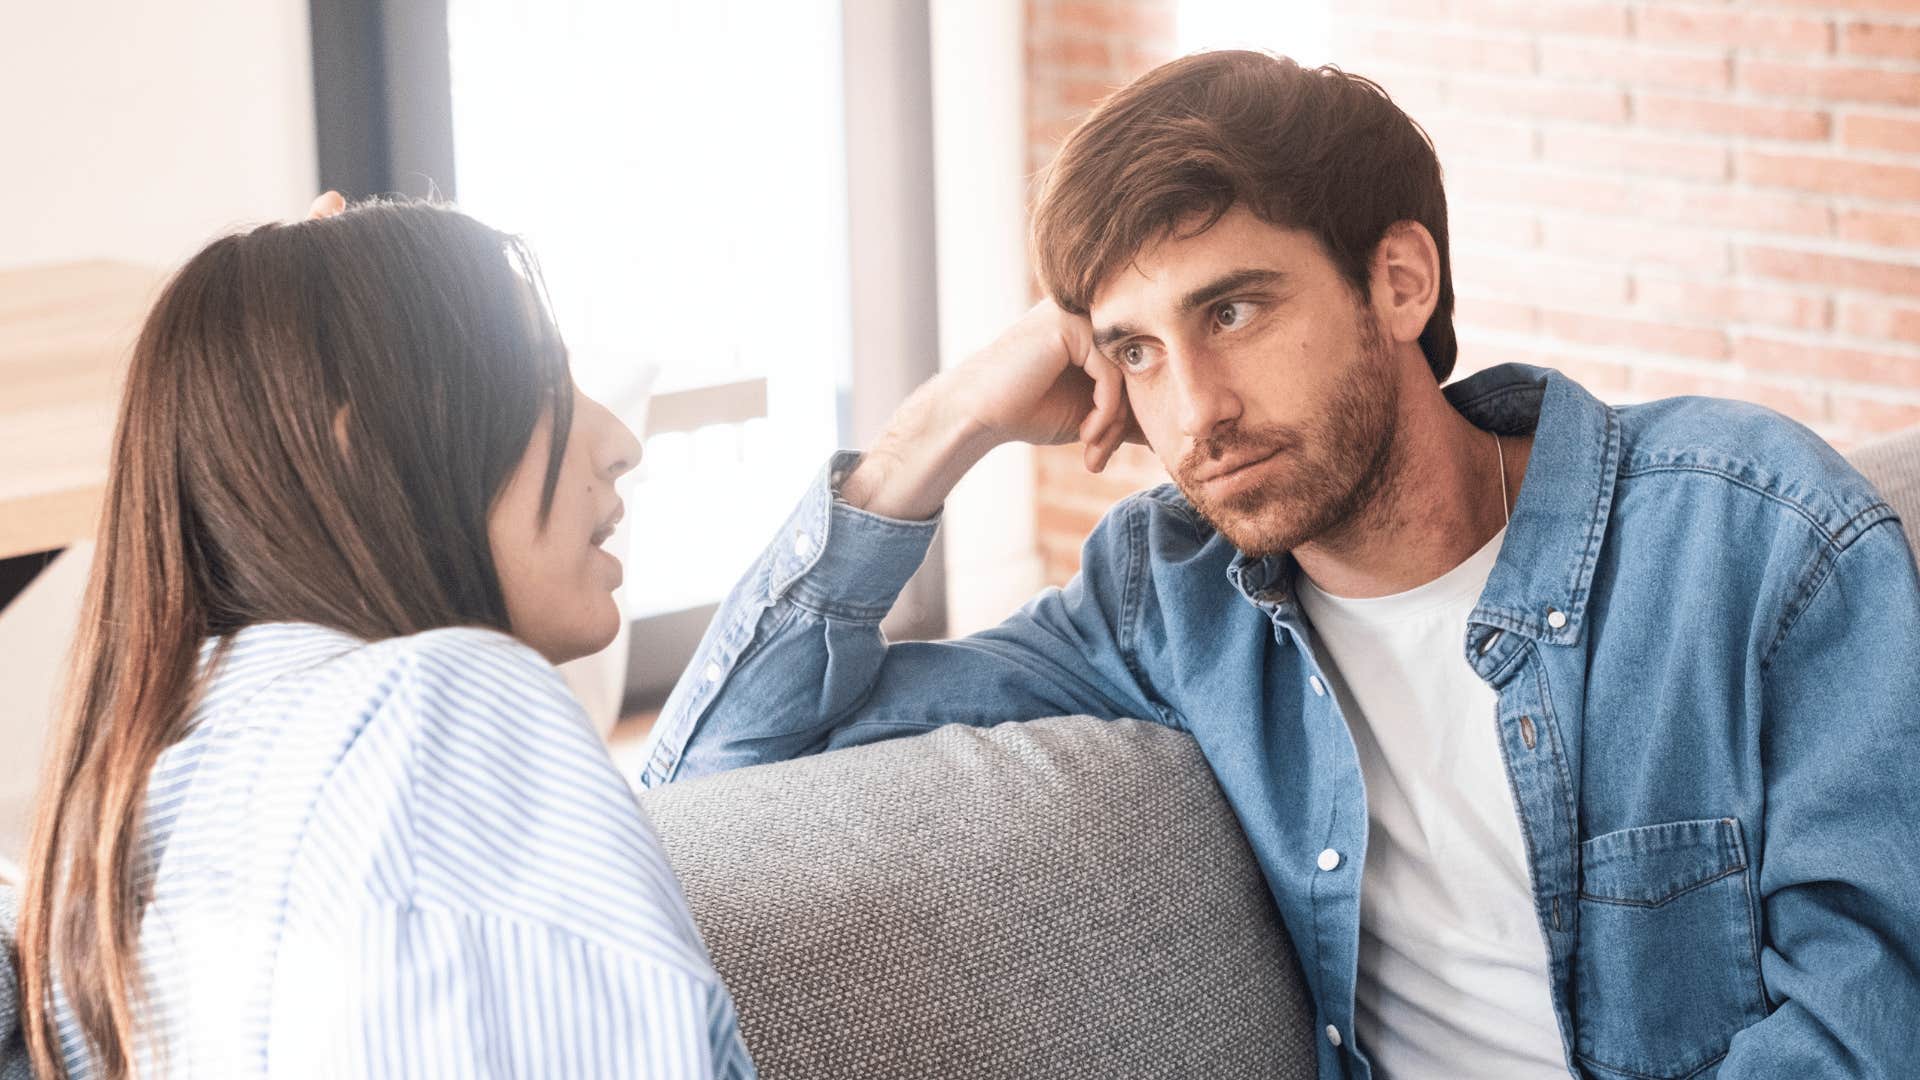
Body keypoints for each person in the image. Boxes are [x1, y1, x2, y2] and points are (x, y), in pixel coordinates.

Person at [638, 51, 1920, 1078]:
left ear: (1400, 281)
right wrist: (940, 427)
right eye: (1133, 351)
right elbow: (714, 777)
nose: (1192, 412)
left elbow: (1876, 1020)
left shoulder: (1751, 535)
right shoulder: (1170, 593)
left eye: (1232, 311)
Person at [11, 198, 755, 1079]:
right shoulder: (441, 707)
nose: (622, 440)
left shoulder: (120, 812)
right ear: (360, 448)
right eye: (543, 384)